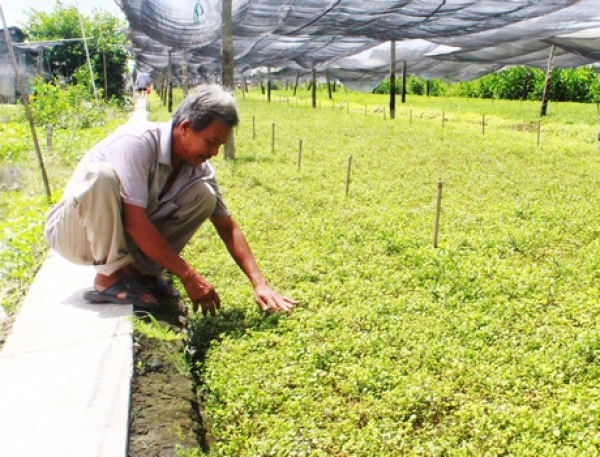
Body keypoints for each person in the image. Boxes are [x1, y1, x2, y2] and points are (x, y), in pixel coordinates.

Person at [44, 85, 295, 315]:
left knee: (204, 195)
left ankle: (140, 272)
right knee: (100, 176)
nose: (215, 152)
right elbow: (134, 221)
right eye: (211, 142)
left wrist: (260, 283)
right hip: (74, 234)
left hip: (117, 237)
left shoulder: (199, 168)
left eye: (220, 144)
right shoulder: (137, 143)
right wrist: (188, 275)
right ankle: (109, 276)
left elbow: (227, 228)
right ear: (185, 127)